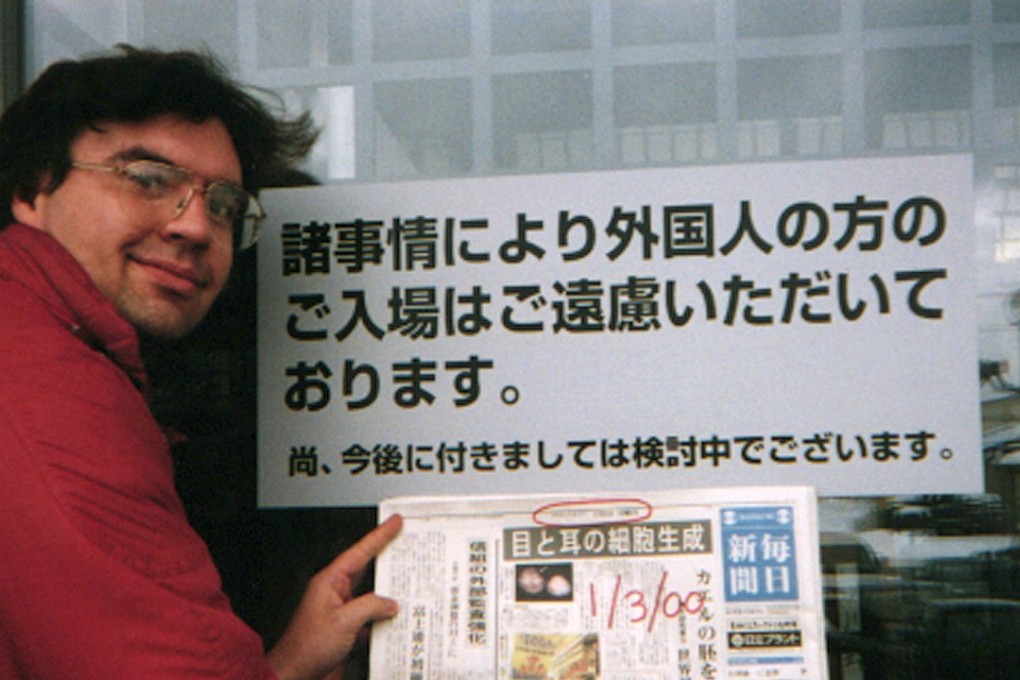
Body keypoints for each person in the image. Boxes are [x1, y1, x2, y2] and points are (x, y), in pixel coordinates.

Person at [0, 45, 401, 680]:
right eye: (148, 179)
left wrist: (287, 664)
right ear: (33, 189)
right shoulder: (49, 387)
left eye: (224, 205)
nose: (195, 226)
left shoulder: (53, 342)